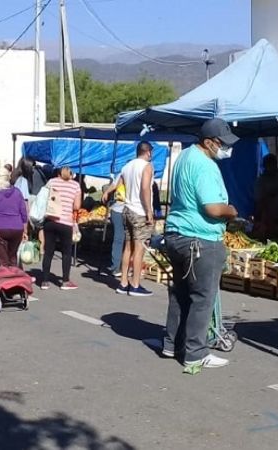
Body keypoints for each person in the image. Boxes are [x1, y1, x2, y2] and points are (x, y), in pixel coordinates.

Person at [162, 119, 238, 370]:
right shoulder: (205, 165)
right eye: (222, 143)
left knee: (180, 294)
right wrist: (231, 211)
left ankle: (172, 344)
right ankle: (195, 353)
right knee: (203, 297)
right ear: (208, 142)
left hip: (177, 234)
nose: (226, 148)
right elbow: (212, 208)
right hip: (201, 238)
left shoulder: (185, 156)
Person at [103, 141, 155, 297]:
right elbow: (145, 188)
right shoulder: (147, 166)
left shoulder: (127, 167)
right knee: (139, 249)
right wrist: (149, 211)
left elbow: (117, 185)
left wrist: (107, 192)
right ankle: (135, 284)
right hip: (140, 210)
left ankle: (123, 282)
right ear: (148, 152)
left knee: (128, 247)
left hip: (127, 209)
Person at [40, 166, 81, 290]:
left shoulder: (52, 182)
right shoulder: (75, 186)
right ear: (71, 173)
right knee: (66, 252)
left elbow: (44, 197)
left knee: (48, 251)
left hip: (50, 220)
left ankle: (45, 281)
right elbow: (77, 206)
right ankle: (65, 281)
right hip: (66, 222)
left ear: (58, 172)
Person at [0, 170, 28, 267]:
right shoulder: (17, 192)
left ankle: (4, 274)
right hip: (16, 227)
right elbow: (23, 212)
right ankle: (14, 274)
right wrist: (25, 230)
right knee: (13, 256)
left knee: (1, 259)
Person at [102, 181, 126, 277]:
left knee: (121, 239)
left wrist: (106, 192)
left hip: (121, 209)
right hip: (122, 209)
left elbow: (114, 184)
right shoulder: (124, 174)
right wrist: (107, 192)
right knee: (120, 239)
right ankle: (117, 267)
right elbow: (114, 184)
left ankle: (119, 267)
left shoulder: (123, 173)